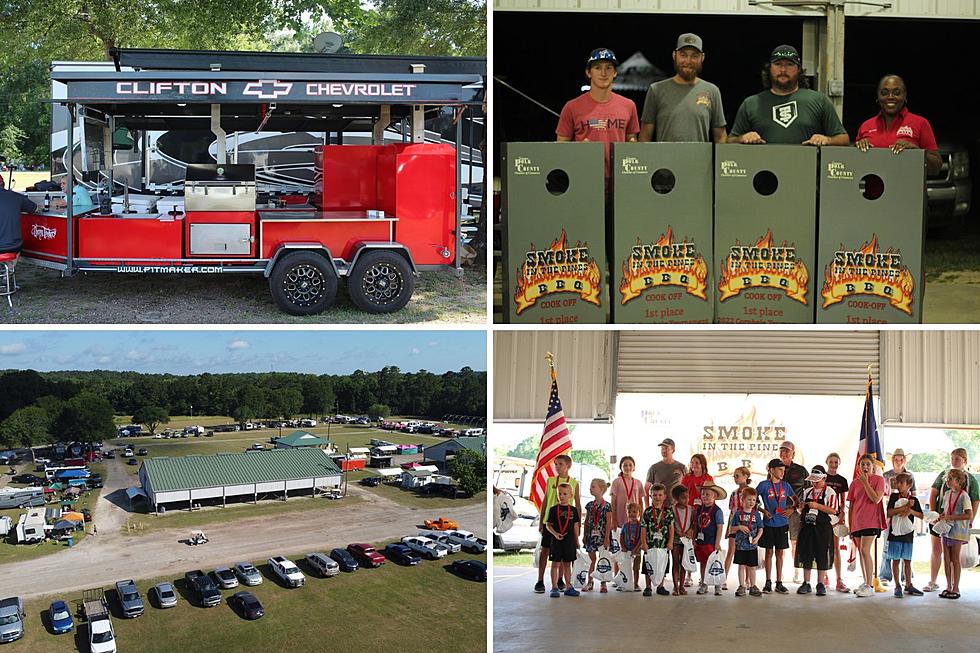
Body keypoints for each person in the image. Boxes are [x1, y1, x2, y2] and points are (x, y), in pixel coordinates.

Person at [728, 45, 849, 147]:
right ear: (769, 68)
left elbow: (843, 139)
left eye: (789, 64)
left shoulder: (819, 100)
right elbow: (729, 141)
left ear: (799, 69)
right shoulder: (751, 103)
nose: (783, 69)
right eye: (778, 64)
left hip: (807, 171)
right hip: (764, 171)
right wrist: (742, 138)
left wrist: (827, 140)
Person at [556, 47, 640, 180]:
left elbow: (632, 141)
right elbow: (559, 150)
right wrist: (577, 149)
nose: (603, 73)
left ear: (615, 73)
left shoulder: (629, 105)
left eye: (608, 68)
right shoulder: (571, 107)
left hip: (621, 182)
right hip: (583, 180)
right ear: (588, 73)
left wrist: (632, 145)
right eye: (597, 68)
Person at [638, 33, 727, 144]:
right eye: (683, 55)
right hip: (665, 160)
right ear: (674, 55)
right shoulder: (656, 90)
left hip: (700, 161)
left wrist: (719, 161)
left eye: (694, 56)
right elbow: (645, 137)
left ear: (702, 58)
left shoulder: (712, 91)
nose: (688, 61)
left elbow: (720, 138)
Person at [855, 74, 941, 177]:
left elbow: (936, 169)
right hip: (874, 192)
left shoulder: (920, 123)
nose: (890, 97)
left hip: (909, 191)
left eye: (896, 93)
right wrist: (857, 151)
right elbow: (854, 167)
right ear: (878, 96)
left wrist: (918, 153)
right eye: (884, 93)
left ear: (904, 96)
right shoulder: (866, 126)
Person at [925, 448, 980, 592]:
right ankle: (934, 581)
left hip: (958, 524)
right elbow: (934, 493)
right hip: (941, 520)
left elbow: (975, 501)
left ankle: (954, 586)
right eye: (952, 458)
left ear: (965, 461)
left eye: (957, 459)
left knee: (954, 556)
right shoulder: (944, 475)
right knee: (937, 549)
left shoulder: (970, 479)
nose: (954, 461)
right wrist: (935, 514)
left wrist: (969, 520)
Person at [534, 454, 581, 594]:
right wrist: (542, 520)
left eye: (560, 464)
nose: (557, 466)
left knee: (564, 553)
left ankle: (561, 580)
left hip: (566, 523)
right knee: (545, 550)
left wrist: (578, 525)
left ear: (568, 466)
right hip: (551, 522)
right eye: (556, 464)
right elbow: (545, 501)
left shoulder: (574, 483)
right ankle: (540, 580)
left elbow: (577, 504)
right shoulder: (550, 481)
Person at [794, 465, 838, 596]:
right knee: (807, 553)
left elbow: (834, 510)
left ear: (824, 478)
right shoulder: (807, 491)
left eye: (817, 480)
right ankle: (806, 582)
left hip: (822, 527)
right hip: (807, 526)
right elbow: (800, 509)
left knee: (821, 554)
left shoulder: (830, 492)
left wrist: (817, 506)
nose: (814, 483)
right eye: (813, 480)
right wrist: (801, 507)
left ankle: (820, 583)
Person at [848, 454, 886, 598]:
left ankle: (870, 585)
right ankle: (865, 582)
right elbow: (851, 506)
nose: (865, 467)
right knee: (861, 552)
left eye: (868, 464)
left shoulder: (879, 480)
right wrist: (851, 525)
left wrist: (865, 483)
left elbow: (876, 498)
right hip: (857, 521)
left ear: (873, 466)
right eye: (862, 464)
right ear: (858, 467)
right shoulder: (854, 483)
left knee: (865, 550)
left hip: (871, 521)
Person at [880, 448, 916, 585]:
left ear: (904, 460)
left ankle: (905, 576)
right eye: (896, 459)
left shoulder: (910, 475)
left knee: (905, 543)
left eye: (901, 459)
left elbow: (914, 495)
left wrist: (909, 509)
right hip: (890, 512)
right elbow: (882, 494)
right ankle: (885, 574)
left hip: (906, 514)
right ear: (892, 460)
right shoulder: (885, 475)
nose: (898, 462)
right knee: (888, 543)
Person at [885, 472, 924, 598]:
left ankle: (908, 584)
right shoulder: (894, 497)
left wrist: (910, 510)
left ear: (909, 485)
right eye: (898, 482)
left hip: (908, 534)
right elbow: (889, 512)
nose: (899, 485)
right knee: (895, 560)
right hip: (895, 533)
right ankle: (897, 585)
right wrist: (904, 508)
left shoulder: (914, 500)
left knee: (907, 560)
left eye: (902, 483)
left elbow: (921, 515)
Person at [757, 458, 792, 594]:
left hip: (782, 524)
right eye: (780, 470)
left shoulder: (786, 486)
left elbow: (796, 501)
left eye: (784, 470)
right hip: (768, 523)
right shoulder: (764, 485)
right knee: (769, 552)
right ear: (771, 470)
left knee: (780, 553)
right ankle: (768, 582)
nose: (782, 473)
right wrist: (762, 510)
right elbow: (751, 499)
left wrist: (791, 509)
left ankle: (779, 582)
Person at [938, 468, 973, 600]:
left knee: (955, 559)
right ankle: (948, 585)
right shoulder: (947, 494)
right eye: (947, 477)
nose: (948, 480)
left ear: (959, 481)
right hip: (946, 530)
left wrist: (952, 517)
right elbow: (945, 511)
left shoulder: (964, 496)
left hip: (957, 532)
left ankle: (956, 587)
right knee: (946, 559)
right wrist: (941, 516)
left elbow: (969, 514)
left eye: (951, 478)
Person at [777, 441, 808, 583]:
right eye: (782, 451)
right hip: (779, 512)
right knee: (780, 544)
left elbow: (807, 492)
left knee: (795, 542)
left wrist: (795, 508)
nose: (784, 453)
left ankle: (797, 571)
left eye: (787, 451)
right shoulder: (774, 469)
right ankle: (780, 572)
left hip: (796, 512)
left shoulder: (801, 471)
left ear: (793, 454)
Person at [545, 482, 582, 598]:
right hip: (556, 541)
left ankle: (569, 586)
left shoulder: (574, 510)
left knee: (567, 564)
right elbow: (548, 525)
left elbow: (576, 526)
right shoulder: (553, 509)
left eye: (565, 494)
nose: (562, 496)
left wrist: (576, 541)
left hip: (569, 541)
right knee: (555, 564)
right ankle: (554, 587)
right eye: (559, 493)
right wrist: (555, 534)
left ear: (570, 495)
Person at [822, 452, 851, 593]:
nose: (833, 465)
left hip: (835, 516)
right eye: (831, 462)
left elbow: (843, 500)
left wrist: (842, 515)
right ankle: (825, 575)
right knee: (824, 546)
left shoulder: (842, 480)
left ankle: (839, 579)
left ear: (839, 464)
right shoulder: (822, 478)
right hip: (823, 515)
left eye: (836, 462)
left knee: (835, 547)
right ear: (827, 462)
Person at [728, 485, 764, 597]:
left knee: (752, 567)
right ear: (743, 500)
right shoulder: (737, 514)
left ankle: (753, 586)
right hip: (740, 546)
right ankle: (742, 586)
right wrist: (739, 527)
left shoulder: (757, 514)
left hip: (752, 546)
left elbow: (761, 528)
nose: (751, 502)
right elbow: (731, 529)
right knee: (741, 566)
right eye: (749, 499)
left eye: (754, 500)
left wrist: (757, 538)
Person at [640, 483, 674, 597]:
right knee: (648, 565)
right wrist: (643, 543)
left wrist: (670, 542)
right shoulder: (647, 512)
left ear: (664, 496)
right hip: (650, 544)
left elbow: (671, 528)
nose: (657, 498)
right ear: (650, 496)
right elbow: (643, 528)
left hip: (663, 545)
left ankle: (660, 586)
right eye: (654, 495)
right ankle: (648, 587)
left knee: (662, 565)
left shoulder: (668, 512)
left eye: (660, 495)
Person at [723, 466, 754, 589]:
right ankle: (723, 578)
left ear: (745, 477)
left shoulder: (751, 492)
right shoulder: (734, 493)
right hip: (735, 525)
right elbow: (732, 512)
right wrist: (729, 529)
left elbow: (755, 508)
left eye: (737, 476)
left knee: (746, 552)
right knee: (731, 551)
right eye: (734, 476)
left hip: (747, 525)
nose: (735, 478)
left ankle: (746, 580)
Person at [694, 483, 726, 596]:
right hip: (701, 541)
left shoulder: (717, 511)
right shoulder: (698, 509)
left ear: (715, 496)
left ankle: (718, 585)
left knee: (714, 563)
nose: (705, 496)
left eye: (708, 494)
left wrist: (717, 542)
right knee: (703, 563)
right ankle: (704, 583)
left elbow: (720, 527)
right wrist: (694, 540)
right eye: (703, 494)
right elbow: (695, 526)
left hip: (711, 542)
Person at [0, 182, 39, 273]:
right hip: (12, 246)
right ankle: (8, 273)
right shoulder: (17, 197)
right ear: (4, 184)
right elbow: (35, 209)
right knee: (14, 247)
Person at [582, 478, 612, 592]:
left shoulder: (607, 506)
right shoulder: (590, 505)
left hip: (602, 537)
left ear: (601, 489)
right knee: (592, 559)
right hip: (590, 536)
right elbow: (586, 521)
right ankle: (590, 582)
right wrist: (584, 535)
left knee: (603, 559)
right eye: (590, 486)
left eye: (593, 487)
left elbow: (609, 522)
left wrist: (606, 538)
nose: (590, 489)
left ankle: (603, 583)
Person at [644, 438, 687, 508]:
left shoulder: (682, 467)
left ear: (673, 450)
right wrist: (647, 507)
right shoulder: (654, 468)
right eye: (662, 448)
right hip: (658, 508)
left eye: (666, 448)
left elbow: (687, 488)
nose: (664, 450)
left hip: (677, 507)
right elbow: (646, 489)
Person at [671, 484, 693, 595]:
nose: (686, 500)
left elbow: (693, 523)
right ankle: (675, 586)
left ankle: (682, 586)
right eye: (683, 497)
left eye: (687, 497)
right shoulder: (672, 509)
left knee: (684, 563)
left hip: (686, 541)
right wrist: (677, 531)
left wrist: (690, 531)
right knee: (675, 563)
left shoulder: (690, 509)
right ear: (676, 498)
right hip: (675, 540)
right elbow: (671, 524)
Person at [611, 456, 645, 525]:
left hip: (635, 517)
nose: (628, 467)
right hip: (620, 517)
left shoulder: (638, 482)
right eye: (625, 465)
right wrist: (613, 519)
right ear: (621, 467)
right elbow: (613, 502)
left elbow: (640, 502)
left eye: (630, 465)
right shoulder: (616, 482)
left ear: (634, 467)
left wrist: (641, 517)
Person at [620, 502, 644, 592]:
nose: (632, 514)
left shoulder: (641, 525)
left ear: (639, 513)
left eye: (634, 512)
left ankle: (636, 584)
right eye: (629, 512)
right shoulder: (625, 526)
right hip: (626, 551)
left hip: (636, 551)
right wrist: (623, 546)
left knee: (636, 568)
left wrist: (636, 548)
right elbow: (621, 537)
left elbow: (641, 539)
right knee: (626, 567)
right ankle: (624, 582)